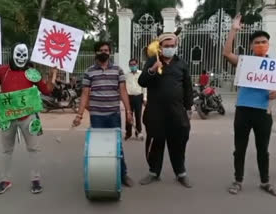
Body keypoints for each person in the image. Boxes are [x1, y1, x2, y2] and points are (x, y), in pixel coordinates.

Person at [0, 43, 57, 195]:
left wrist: (53, 74)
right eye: (18, 54)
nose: (21, 58)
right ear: (12, 53)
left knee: (34, 149)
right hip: (8, 118)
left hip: (28, 117)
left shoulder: (32, 72)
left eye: (24, 55)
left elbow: (47, 90)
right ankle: (5, 180)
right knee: (6, 150)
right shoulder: (1, 71)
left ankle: (36, 179)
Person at [223, 14, 276, 197]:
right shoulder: (244, 62)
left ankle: (265, 182)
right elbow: (226, 53)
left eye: (264, 41)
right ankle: (238, 180)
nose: (260, 44)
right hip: (243, 110)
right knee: (239, 149)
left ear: (268, 44)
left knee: (262, 149)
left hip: (264, 112)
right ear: (251, 46)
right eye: (256, 42)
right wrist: (233, 30)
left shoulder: (275, 66)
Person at [72, 41, 134, 187]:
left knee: (117, 146)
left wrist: (129, 112)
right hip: (97, 116)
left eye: (106, 50)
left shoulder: (118, 70)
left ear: (110, 52)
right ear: (96, 53)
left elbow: (123, 92)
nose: (104, 52)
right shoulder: (89, 71)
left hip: (113, 115)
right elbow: (85, 94)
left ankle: (123, 174)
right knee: (99, 147)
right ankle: (101, 174)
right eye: (101, 50)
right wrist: (79, 115)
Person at [138, 32, 193, 187]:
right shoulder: (152, 61)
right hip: (156, 112)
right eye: (166, 46)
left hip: (176, 112)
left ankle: (181, 173)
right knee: (156, 143)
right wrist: (152, 70)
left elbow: (188, 87)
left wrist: (189, 108)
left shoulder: (181, 64)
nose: (170, 48)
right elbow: (142, 82)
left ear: (176, 46)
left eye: (172, 46)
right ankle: (153, 172)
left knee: (178, 144)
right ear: (160, 47)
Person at [124, 58, 147, 141]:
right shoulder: (126, 75)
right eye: (131, 65)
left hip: (138, 97)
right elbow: (124, 88)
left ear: (137, 65)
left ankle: (138, 133)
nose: (132, 66)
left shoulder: (141, 74)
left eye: (134, 64)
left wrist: (144, 98)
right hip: (129, 97)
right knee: (128, 116)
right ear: (129, 66)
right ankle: (128, 133)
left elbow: (144, 87)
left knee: (138, 115)